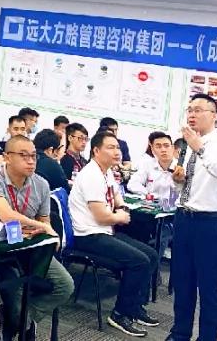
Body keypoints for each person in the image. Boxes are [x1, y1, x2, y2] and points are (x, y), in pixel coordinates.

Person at [69, 131, 159, 337]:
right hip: (88, 236)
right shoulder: (91, 175)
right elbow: (102, 216)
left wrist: (121, 210)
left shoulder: (106, 172)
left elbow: (118, 198)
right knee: (139, 262)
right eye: (111, 147)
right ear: (96, 151)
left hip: (105, 231)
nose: (117, 152)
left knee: (152, 255)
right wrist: (120, 217)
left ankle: (134, 307)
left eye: (117, 147)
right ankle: (120, 314)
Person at [0, 135, 74, 341]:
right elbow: (6, 216)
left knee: (65, 285)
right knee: (13, 285)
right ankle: (20, 322)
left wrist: (43, 229)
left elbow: (45, 222)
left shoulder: (41, 184)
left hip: (27, 247)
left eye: (34, 156)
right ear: (7, 157)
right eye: (23, 156)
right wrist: (41, 226)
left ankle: (21, 321)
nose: (31, 161)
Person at [168, 94, 217, 341]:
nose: (192, 114)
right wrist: (178, 181)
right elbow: (188, 186)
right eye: (189, 109)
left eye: (198, 110)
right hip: (183, 218)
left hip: (209, 223)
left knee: (208, 287)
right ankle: (180, 333)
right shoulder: (187, 145)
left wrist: (200, 148)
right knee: (182, 282)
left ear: (214, 115)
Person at [128, 132, 177, 197]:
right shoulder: (147, 164)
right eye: (158, 147)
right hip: (152, 201)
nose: (163, 150)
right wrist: (148, 194)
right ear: (152, 150)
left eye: (166, 146)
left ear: (173, 148)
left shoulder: (181, 166)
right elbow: (132, 184)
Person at [33, 129, 69, 195]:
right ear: (50, 150)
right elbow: (66, 190)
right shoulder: (52, 165)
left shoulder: (27, 158)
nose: (58, 153)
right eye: (58, 149)